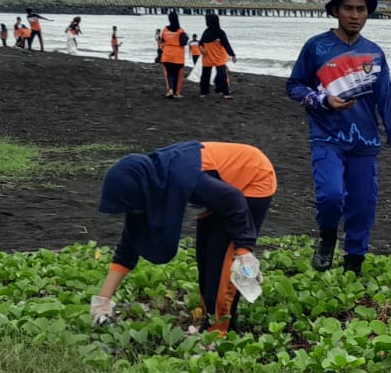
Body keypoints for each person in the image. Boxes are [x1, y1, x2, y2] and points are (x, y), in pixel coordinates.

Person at [285, 0, 391, 274]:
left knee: (363, 206)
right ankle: (328, 238)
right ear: (336, 11)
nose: (354, 15)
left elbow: (388, 101)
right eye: (348, 8)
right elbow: (294, 86)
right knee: (331, 196)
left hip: (365, 144)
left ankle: (354, 262)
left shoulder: (375, 53)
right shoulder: (316, 47)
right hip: (327, 139)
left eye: (361, 9)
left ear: (367, 14)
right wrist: (322, 100)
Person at [93, 141, 276, 337]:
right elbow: (128, 246)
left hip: (253, 177)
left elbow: (234, 200)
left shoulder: (184, 178)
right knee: (205, 256)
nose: (135, 213)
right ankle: (209, 321)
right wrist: (102, 301)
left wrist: (244, 250)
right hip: (222, 189)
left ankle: (219, 334)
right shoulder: (152, 182)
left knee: (223, 261)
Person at [198, 13, 237, 99]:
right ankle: (204, 92)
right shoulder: (206, 32)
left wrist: (232, 54)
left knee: (222, 75)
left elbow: (226, 44)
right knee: (205, 76)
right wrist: (201, 49)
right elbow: (200, 43)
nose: (206, 22)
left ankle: (225, 93)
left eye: (207, 20)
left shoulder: (220, 32)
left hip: (219, 57)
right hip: (207, 57)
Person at [156, 13, 188, 98]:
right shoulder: (180, 30)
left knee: (169, 73)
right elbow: (184, 42)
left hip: (167, 54)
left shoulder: (165, 29)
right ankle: (175, 92)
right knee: (176, 74)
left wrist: (160, 52)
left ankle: (170, 89)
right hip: (178, 55)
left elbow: (161, 40)